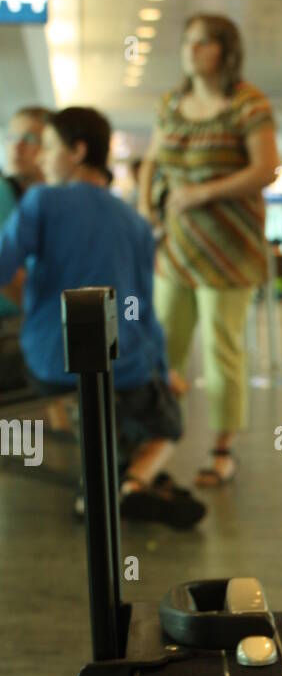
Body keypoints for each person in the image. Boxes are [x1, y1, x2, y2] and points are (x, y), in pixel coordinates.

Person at [0, 106, 205, 527]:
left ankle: (101, 490)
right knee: (166, 423)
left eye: (49, 147)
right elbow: (145, 312)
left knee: (97, 401)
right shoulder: (134, 222)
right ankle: (130, 483)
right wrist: (164, 371)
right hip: (121, 363)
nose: (40, 158)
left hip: (48, 360)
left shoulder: (41, 200)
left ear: (77, 151)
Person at [139, 13, 279, 487]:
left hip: (230, 250)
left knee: (223, 350)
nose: (191, 51)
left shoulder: (246, 103)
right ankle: (153, 440)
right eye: (187, 42)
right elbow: (152, 163)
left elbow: (265, 169)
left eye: (203, 43)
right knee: (161, 347)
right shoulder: (170, 104)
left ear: (225, 50)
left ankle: (222, 449)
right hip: (176, 248)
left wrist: (203, 193)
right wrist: (147, 210)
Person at [0, 106, 49, 394]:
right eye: (13, 136)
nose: (18, 145)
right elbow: (7, 276)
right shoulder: (4, 192)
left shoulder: (44, 200)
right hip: (13, 329)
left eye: (30, 138)